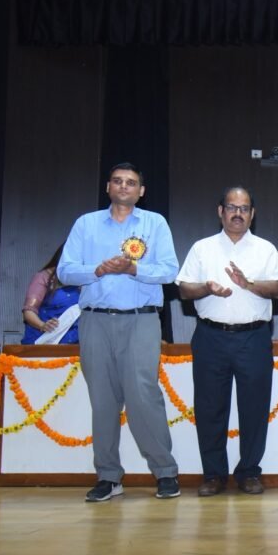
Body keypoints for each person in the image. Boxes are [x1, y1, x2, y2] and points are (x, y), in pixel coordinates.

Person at [57, 162, 180, 502]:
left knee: (143, 396)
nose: (124, 186)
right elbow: (65, 271)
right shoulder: (86, 224)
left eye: (131, 182)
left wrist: (133, 268)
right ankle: (108, 476)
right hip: (95, 321)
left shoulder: (155, 223)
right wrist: (97, 270)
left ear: (141, 191)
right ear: (108, 187)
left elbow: (170, 271)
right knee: (102, 400)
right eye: (117, 181)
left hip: (141, 320)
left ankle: (165, 472)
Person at [176, 187, 278, 497]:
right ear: (220, 211)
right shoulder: (202, 248)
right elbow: (184, 289)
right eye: (232, 207)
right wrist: (206, 288)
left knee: (254, 408)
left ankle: (249, 472)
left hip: (254, 337)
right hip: (211, 337)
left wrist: (248, 284)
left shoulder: (265, 249)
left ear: (252, 214)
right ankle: (213, 475)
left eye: (244, 208)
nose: (238, 213)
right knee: (210, 408)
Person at [22, 244, 80, 344]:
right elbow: (28, 311)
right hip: (44, 343)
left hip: (75, 344)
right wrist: (43, 325)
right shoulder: (44, 277)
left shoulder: (86, 280)